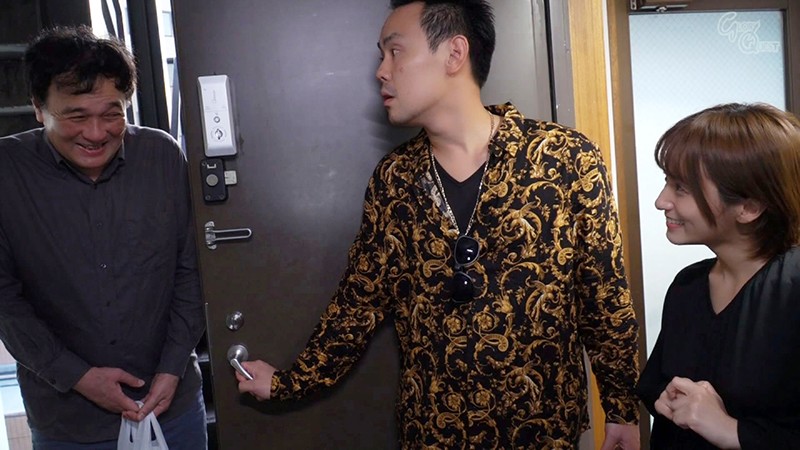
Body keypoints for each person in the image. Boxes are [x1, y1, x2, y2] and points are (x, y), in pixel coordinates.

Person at [237, 1, 641, 448]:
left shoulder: (564, 158)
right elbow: (359, 302)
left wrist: (622, 409)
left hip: (543, 431)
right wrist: (289, 382)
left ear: (454, 53)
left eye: (395, 52)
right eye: (381, 56)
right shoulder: (395, 179)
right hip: (433, 431)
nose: (381, 72)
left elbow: (604, 295)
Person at [0, 26, 207, 448]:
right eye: (76, 116)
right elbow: (4, 300)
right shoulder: (8, 171)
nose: (96, 134)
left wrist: (172, 368)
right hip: (67, 420)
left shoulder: (162, 156)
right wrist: (77, 377)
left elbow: (192, 271)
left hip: (172, 405)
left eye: (112, 114)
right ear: (39, 108)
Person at [637, 103, 800, 449]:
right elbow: (657, 383)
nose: (661, 201)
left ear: (749, 207)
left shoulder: (792, 289)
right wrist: (667, 399)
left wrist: (731, 430)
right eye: (667, 182)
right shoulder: (688, 285)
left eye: (682, 188)